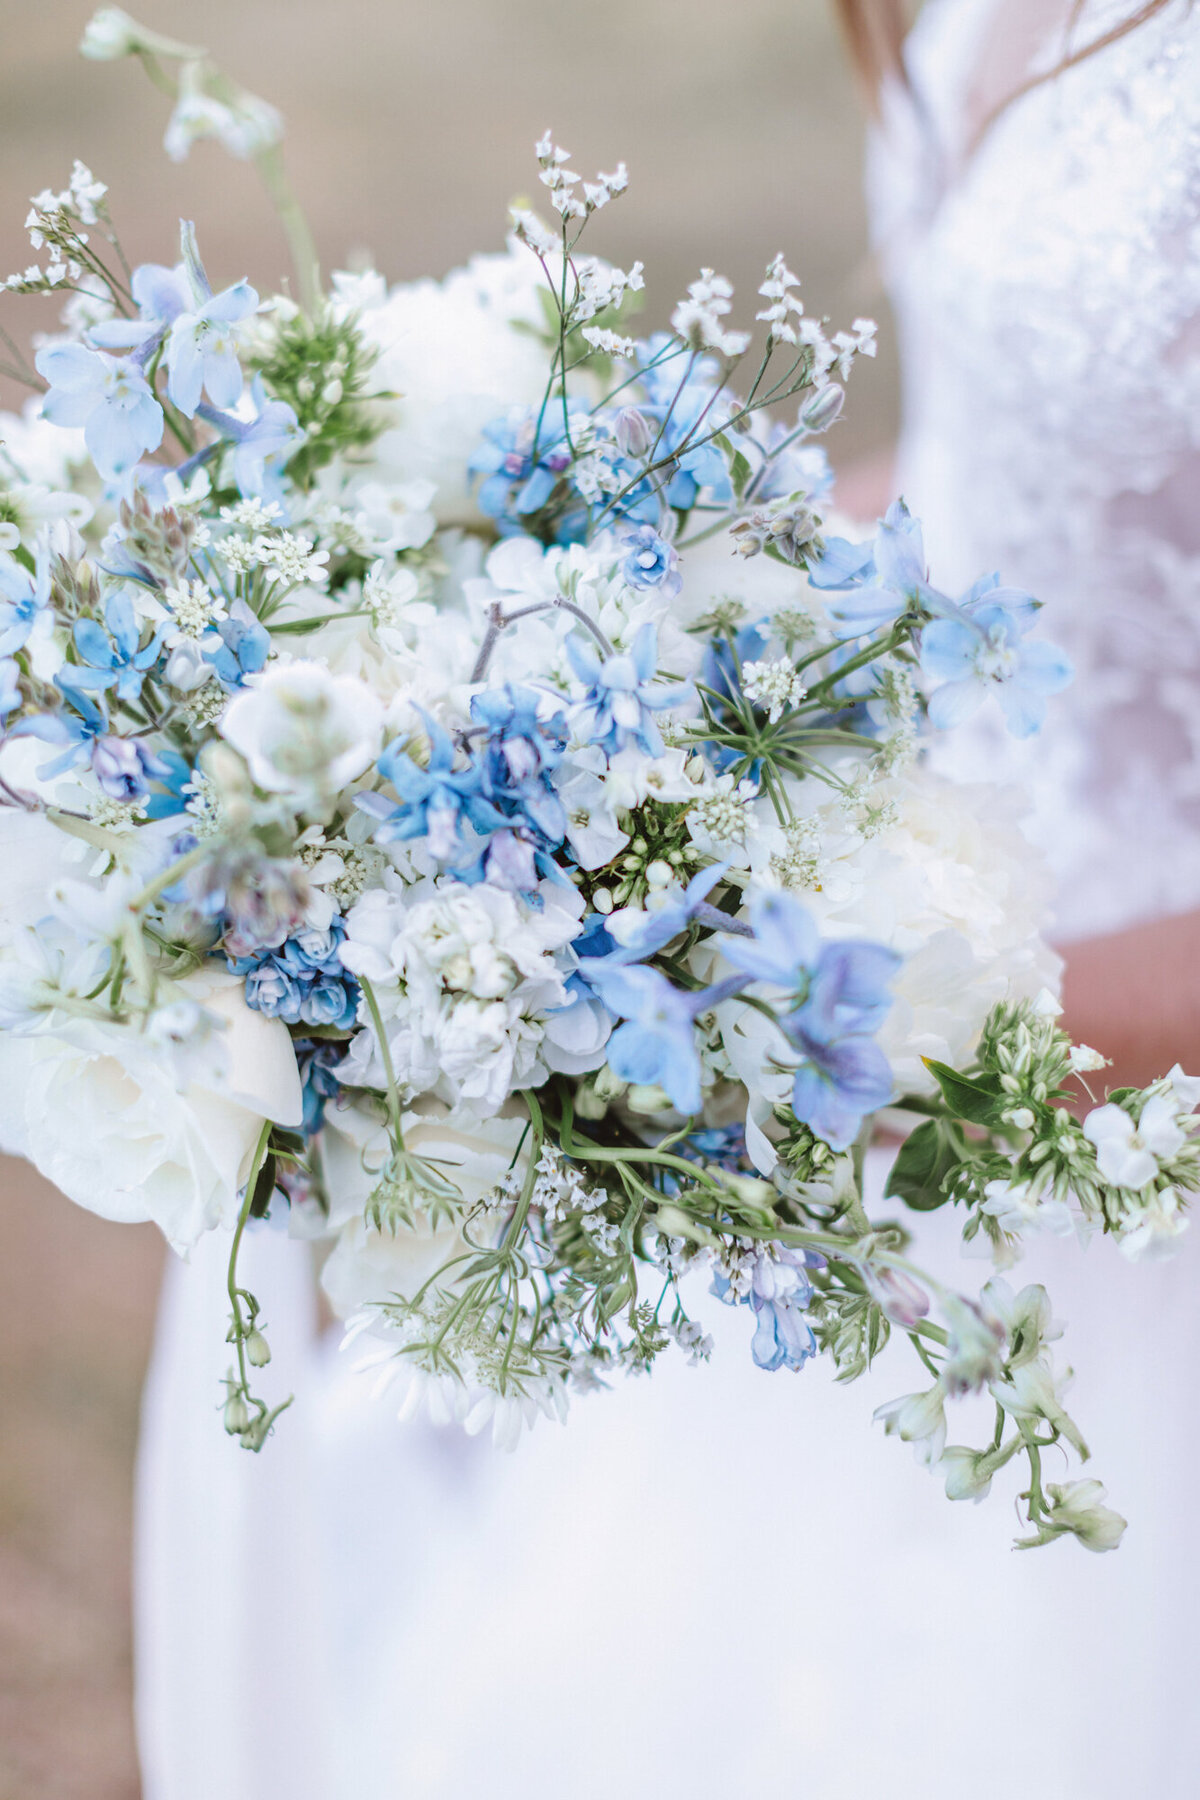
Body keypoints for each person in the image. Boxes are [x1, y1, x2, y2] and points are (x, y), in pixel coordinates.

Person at [136, 5, 1200, 1794]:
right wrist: (554, 638)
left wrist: (861, 1038)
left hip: (1086, 1134)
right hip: (855, 1024)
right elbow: (1018, 507)